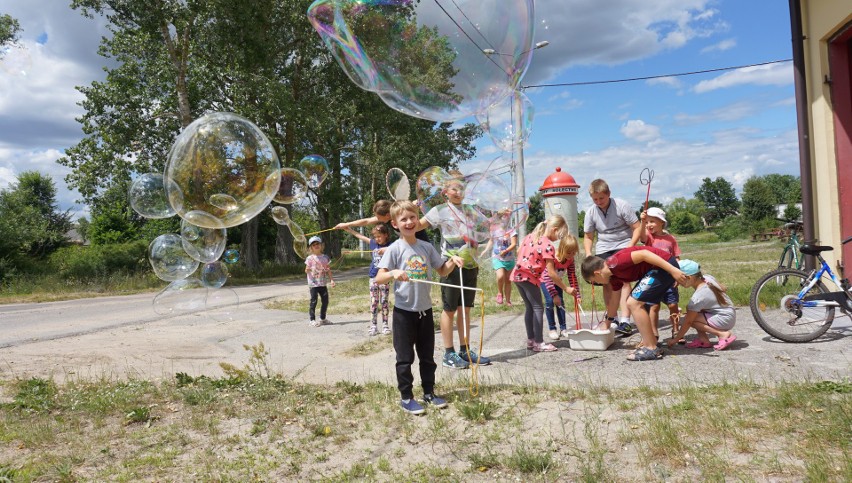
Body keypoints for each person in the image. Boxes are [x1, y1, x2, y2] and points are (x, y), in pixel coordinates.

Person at [374, 200, 464, 415]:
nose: (409, 221)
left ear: (417, 219)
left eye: (412, 217)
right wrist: (393, 273)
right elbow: (379, 278)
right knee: (404, 358)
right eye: (403, 219)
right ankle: (406, 397)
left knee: (427, 357)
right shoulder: (395, 249)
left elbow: (442, 271)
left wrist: (453, 260)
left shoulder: (426, 247)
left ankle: (429, 392)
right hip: (404, 313)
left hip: (425, 311)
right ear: (395, 224)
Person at [419, 176, 492, 369]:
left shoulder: (470, 210)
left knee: (465, 309)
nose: (459, 192)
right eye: (454, 189)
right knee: (449, 309)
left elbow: (487, 226)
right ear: (445, 192)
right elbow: (417, 226)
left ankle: (465, 350)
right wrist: (409, 210)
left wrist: (501, 216)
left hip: (470, 264)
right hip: (451, 265)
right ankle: (448, 353)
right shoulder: (440, 210)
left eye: (461, 189)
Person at [581, 246, 688, 361]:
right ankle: (651, 343)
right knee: (637, 302)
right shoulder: (613, 277)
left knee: (633, 302)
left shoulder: (615, 262)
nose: (597, 283)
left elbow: (644, 254)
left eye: (594, 281)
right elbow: (614, 300)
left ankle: (650, 348)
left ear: (597, 273)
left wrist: (673, 270)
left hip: (664, 266)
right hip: (657, 270)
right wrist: (607, 323)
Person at [582, 179, 642, 335]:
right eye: (595, 199)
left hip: (623, 245)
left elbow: (637, 227)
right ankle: (612, 317)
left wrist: (631, 245)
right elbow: (588, 236)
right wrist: (589, 254)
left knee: (624, 282)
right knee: (606, 282)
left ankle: (625, 320)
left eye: (601, 198)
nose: (598, 202)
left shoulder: (622, 205)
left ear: (608, 194)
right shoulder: (591, 212)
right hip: (603, 248)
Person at [511, 215, 578, 352]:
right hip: (529, 277)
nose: (559, 239)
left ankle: (531, 340)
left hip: (517, 274)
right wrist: (566, 288)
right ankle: (539, 343)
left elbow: (518, 251)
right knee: (538, 308)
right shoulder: (548, 245)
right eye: (560, 235)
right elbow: (552, 273)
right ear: (554, 229)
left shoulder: (531, 236)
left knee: (530, 308)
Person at [667, 259, 737, 351]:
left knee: (687, 319)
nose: (677, 281)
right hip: (729, 314)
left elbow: (688, 322)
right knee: (691, 310)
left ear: (688, 277)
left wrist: (676, 339)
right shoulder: (708, 278)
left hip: (724, 319)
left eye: (678, 278)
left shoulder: (698, 298)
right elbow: (723, 288)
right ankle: (703, 340)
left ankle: (723, 334)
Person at [639, 207, 682, 339]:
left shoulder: (671, 239)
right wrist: (642, 222)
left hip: (669, 277)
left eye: (652, 221)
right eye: (647, 222)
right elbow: (641, 236)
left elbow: (677, 258)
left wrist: (678, 275)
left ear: (662, 222)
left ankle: (676, 330)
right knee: (653, 306)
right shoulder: (649, 238)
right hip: (653, 277)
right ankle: (654, 333)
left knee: (673, 304)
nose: (649, 225)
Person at [342, 224, 392, 336]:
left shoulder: (391, 245)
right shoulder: (374, 243)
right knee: (374, 302)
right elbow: (361, 236)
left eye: (380, 236)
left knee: (384, 302)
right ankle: (373, 325)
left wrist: (386, 249)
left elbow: (399, 247)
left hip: (385, 278)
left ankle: (385, 325)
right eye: (375, 236)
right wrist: (349, 229)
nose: (377, 239)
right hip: (373, 277)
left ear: (386, 235)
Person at [335, 199, 430, 242]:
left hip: (422, 245)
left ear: (387, 215)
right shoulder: (389, 218)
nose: (377, 219)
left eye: (379, 217)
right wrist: (346, 224)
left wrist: (415, 208)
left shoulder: (402, 215)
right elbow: (366, 221)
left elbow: (419, 223)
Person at [542, 236, 582, 340]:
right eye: (569, 253)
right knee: (550, 302)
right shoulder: (553, 258)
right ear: (561, 248)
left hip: (557, 282)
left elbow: (572, 277)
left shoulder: (570, 260)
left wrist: (577, 294)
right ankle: (552, 328)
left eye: (574, 253)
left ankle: (563, 328)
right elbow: (548, 276)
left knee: (561, 302)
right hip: (546, 281)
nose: (571, 255)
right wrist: (554, 294)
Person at [305, 235, 335, 327]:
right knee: (314, 301)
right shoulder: (310, 258)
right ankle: (312, 320)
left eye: (317, 243)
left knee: (325, 301)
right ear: (311, 248)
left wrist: (332, 280)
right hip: (313, 284)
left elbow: (328, 269)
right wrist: (310, 269)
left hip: (323, 283)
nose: (316, 246)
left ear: (321, 245)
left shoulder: (325, 257)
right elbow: (306, 270)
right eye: (314, 245)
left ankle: (322, 319)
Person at [491, 224, 518, 306]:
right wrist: (485, 250)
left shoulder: (512, 231)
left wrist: (505, 251)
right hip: (497, 257)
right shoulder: (495, 229)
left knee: (508, 280)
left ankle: (508, 300)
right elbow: (491, 241)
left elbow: (513, 244)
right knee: (500, 276)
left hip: (509, 259)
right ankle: (499, 293)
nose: (505, 218)